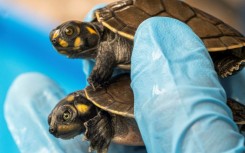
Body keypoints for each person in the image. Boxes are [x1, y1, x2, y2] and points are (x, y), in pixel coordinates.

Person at [4, 7, 245, 153]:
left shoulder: (109, 45)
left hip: (189, 36)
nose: (60, 39)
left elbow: (108, 54)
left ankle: (226, 59)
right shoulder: (102, 94)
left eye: (68, 32)